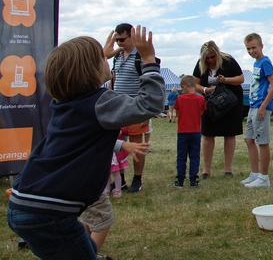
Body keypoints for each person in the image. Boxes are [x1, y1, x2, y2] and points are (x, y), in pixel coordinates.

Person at [7, 27, 164, 259]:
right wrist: (149, 60)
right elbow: (151, 104)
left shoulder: (65, 105)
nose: (107, 58)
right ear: (90, 71)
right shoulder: (100, 103)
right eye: (102, 58)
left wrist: (99, 57)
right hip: (48, 213)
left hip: (25, 204)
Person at [103, 22, 157, 193]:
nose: (120, 43)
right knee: (116, 146)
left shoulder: (140, 55)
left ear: (132, 36)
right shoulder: (118, 56)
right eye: (117, 40)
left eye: (122, 39)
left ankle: (137, 179)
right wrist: (113, 48)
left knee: (137, 145)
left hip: (135, 107)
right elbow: (106, 60)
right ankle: (121, 179)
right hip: (118, 107)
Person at [192, 40, 244, 178]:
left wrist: (225, 80)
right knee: (208, 135)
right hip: (210, 105)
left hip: (230, 104)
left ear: (217, 53)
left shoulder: (229, 60)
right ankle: (206, 170)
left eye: (212, 57)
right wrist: (206, 90)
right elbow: (194, 83)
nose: (209, 60)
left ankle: (228, 169)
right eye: (206, 58)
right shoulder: (200, 64)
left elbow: (241, 79)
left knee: (229, 134)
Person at [242, 33, 273, 188]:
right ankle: (255, 173)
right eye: (248, 48)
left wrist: (264, 105)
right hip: (253, 106)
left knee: (262, 142)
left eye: (254, 47)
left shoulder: (265, 62)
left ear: (261, 46)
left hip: (261, 107)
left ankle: (264, 178)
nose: (251, 51)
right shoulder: (256, 63)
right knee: (249, 139)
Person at [173, 75, 206, 187]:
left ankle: (180, 180)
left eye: (182, 88)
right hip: (196, 131)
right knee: (195, 156)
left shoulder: (180, 99)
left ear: (186, 86)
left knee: (181, 156)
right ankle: (193, 180)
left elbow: (178, 113)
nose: (182, 90)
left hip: (182, 132)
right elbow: (202, 112)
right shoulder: (201, 99)